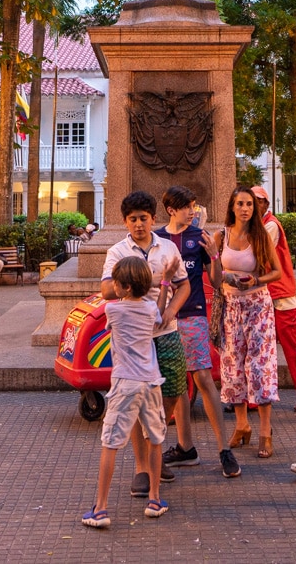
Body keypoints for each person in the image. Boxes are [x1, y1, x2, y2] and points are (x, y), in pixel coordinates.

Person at [101, 191, 190, 500]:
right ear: (125, 222)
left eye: (144, 218)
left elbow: (184, 284)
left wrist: (169, 311)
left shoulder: (167, 247)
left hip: (166, 330)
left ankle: (156, 449)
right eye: (133, 219)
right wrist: (145, 282)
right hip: (134, 338)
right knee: (138, 399)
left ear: (154, 219)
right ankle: (142, 468)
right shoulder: (116, 252)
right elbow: (105, 290)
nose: (139, 224)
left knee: (175, 389)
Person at [82, 255, 176, 529]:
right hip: (151, 382)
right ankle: (155, 499)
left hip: (125, 383)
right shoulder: (149, 309)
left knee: (110, 443)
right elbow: (158, 309)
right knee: (156, 439)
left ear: (123, 287)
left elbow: (106, 304)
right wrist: (166, 282)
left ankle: (100, 507)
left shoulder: (113, 310)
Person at [155, 185, 239, 478]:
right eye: (187, 207)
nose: (193, 212)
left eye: (194, 206)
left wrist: (215, 256)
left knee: (203, 377)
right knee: (176, 383)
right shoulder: (158, 239)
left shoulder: (200, 238)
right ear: (171, 210)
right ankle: (185, 447)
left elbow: (215, 283)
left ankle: (223, 449)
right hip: (164, 320)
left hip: (193, 315)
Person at [212, 186, 281, 459]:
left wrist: (256, 280)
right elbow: (214, 275)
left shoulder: (260, 235)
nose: (245, 209)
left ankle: (265, 430)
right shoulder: (220, 236)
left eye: (250, 204)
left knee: (261, 365)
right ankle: (242, 425)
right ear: (232, 206)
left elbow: (276, 271)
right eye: (240, 203)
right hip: (230, 307)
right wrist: (224, 275)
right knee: (232, 365)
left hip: (257, 306)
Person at [255, 186, 296, 413]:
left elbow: (257, 253)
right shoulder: (261, 226)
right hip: (268, 294)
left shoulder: (270, 226)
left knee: (293, 347)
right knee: (262, 349)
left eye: (258, 201)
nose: (254, 205)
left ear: (266, 204)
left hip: (279, 296)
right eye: (249, 201)